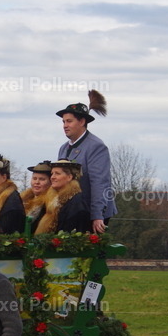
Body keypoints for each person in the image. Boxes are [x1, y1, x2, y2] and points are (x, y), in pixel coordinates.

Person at [56, 90, 115, 233]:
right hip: (72, 211)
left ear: (82, 121)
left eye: (69, 121)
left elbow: (100, 183)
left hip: (89, 212)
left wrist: (97, 215)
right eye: (63, 121)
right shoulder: (63, 148)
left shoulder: (96, 146)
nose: (65, 125)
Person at [35, 159, 85, 234]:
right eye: (52, 173)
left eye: (57, 174)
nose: (52, 177)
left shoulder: (76, 202)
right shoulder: (52, 200)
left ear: (69, 177)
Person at [21, 160, 53, 229]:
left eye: (42, 179)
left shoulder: (48, 205)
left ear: (50, 182)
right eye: (34, 178)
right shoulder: (22, 200)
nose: (37, 182)